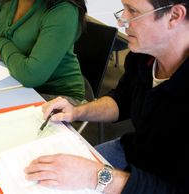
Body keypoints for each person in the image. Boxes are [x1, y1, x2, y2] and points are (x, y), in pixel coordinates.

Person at [24, 0, 189, 193]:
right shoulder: (143, 55)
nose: (122, 22)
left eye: (133, 11)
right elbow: (121, 100)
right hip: (136, 152)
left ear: (175, 16)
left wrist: (94, 175)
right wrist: (77, 111)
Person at [0, 0, 87, 103]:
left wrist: (1, 43)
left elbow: (31, 76)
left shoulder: (63, 11)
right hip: (14, 80)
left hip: (56, 96)